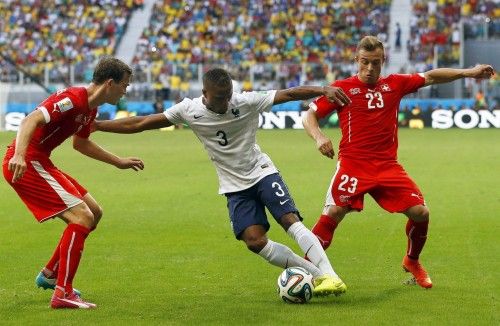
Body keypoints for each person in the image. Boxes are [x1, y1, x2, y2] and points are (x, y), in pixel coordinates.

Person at [94, 68, 352, 297]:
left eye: (228, 95)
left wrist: (323, 89)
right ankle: (317, 275)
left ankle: (331, 275)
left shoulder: (244, 101)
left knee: (289, 221)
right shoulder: (189, 110)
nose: (225, 102)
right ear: (204, 93)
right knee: (254, 241)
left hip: (262, 172)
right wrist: (97, 125)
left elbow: (290, 93)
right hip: (233, 185)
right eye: (219, 98)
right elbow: (141, 122)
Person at [302, 36, 495, 289]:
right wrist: (319, 138)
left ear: (384, 61)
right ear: (356, 60)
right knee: (334, 212)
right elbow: (310, 115)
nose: (370, 68)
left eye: (376, 63)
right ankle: (304, 271)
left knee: (420, 213)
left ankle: (412, 260)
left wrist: (469, 72)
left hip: (387, 166)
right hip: (353, 165)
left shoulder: (395, 84)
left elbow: (432, 77)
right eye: (364, 62)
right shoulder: (342, 89)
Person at [2, 57, 144, 309]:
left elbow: (81, 143)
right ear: (110, 83)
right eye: (125, 85)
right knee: (82, 218)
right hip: (28, 161)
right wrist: (20, 156)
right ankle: (62, 293)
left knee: (94, 213)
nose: (126, 90)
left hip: (41, 161)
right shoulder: (73, 99)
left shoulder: (90, 108)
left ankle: (50, 275)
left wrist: (118, 161)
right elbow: (29, 120)